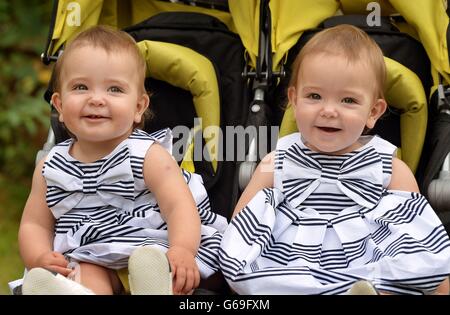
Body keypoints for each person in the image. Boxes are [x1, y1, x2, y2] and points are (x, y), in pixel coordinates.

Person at [219, 24, 450, 295]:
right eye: (314, 96)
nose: (329, 110)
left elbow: (417, 234)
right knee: (245, 265)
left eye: (348, 100)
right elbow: (240, 228)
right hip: (291, 261)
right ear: (294, 100)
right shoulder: (277, 161)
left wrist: (436, 281)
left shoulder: (389, 168)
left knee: (422, 264)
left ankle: (370, 289)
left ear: (373, 112)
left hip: (364, 261)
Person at [18, 25, 227, 295]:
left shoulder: (147, 155)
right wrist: (38, 257)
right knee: (84, 270)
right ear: (59, 105)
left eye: (114, 89)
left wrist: (182, 249)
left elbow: (179, 207)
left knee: (156, 264)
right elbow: (35, 223)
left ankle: (154, 286)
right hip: (92, 251)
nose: (96, 99)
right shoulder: (51, 166)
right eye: (81, 87)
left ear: (139, 107)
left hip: (153, 244)